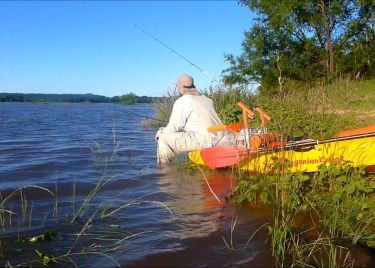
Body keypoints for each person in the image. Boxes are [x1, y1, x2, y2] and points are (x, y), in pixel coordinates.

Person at [155, 74, 223, 164]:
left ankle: (165, 171)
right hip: (221, 138)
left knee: (163, 138)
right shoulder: (208, 100)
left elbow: (172, 128)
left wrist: (160, 133)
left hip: (206, 141)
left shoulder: (182, 101)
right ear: (193, 86)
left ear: (181, 88)